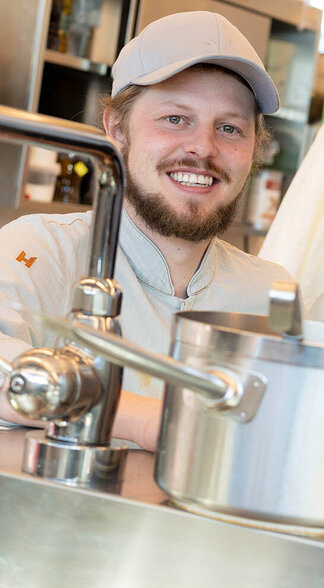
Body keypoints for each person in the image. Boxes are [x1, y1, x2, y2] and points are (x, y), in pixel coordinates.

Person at [0, 11, 291, 450]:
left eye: (229, 128)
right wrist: (142, 419)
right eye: (175, 118)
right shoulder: (40, 251)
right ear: (116, 128)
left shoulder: (270, 293)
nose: (203, 148)